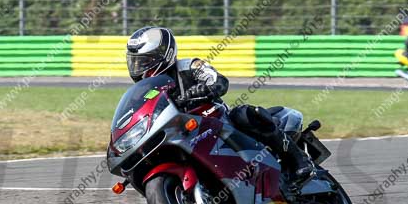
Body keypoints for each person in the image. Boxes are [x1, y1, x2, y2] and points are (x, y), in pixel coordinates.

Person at [125, 26, 314, 184]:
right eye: (136, 63)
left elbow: (218, 80)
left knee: (243, 114)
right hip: (183, 135)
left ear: (163, 55)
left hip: (214, 120)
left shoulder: (189, 66)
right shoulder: (147, 93)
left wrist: (205, 89)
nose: (140, 69)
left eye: (145, 62)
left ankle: (298, 160)